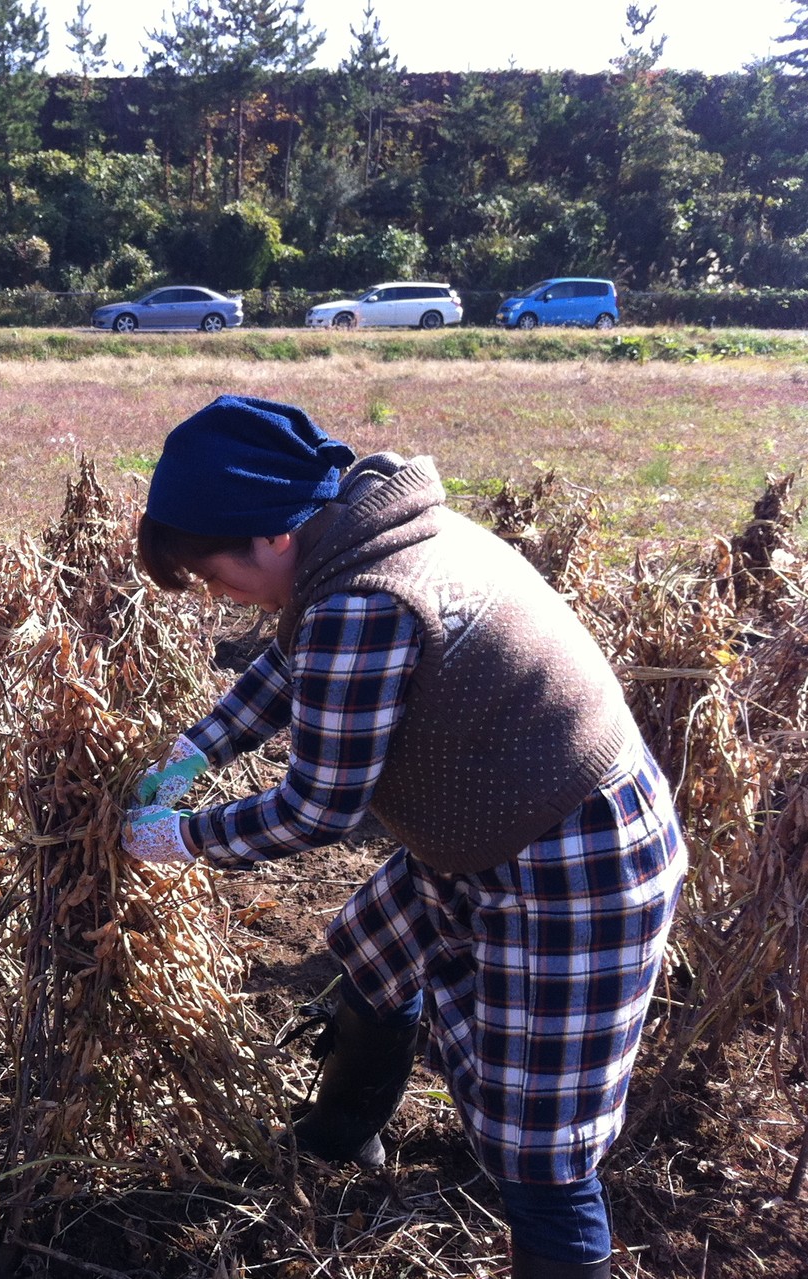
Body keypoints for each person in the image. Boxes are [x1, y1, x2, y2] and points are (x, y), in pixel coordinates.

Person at [121, 396, 685, 1279]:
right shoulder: (372, 530)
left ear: (272, 536)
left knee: (541, 1149)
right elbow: (293, 659)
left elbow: (318, 808)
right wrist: (199, 747)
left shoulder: (365, 594)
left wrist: (181, 839)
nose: (217, 596)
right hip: (499, 827)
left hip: (577, 858)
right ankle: (339, 1141)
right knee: (378, 950)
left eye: (214, 574)